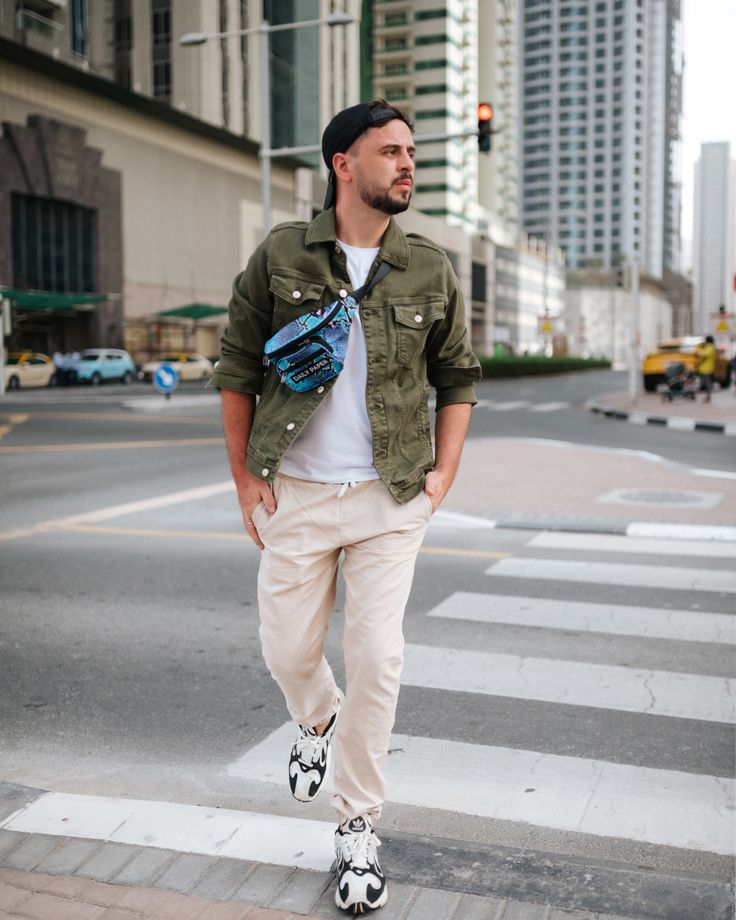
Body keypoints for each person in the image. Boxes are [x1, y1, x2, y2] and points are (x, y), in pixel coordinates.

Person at [211, 99, 480, 914]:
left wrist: (444, 476)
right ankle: (316, 719)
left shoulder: (429, 267)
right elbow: (234, 369)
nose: (406, 164)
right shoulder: (281, 255)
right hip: (293, 488)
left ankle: (358, 824)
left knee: (378, 658)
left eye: (410, 152)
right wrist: (244, 481)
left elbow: (457, 377)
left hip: (391, 495)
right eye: (389, 151)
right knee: (289, 651)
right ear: (342, 165)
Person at [697, 335, 717, 403]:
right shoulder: (707, 347)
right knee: (704, 383)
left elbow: (704, 354)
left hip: (707, 369)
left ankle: (708, 397)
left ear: (708, 340)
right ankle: (707, 396)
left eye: (705, 340)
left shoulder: (710, 347)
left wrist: (699, 352)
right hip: (703, 368)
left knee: (708, 383)